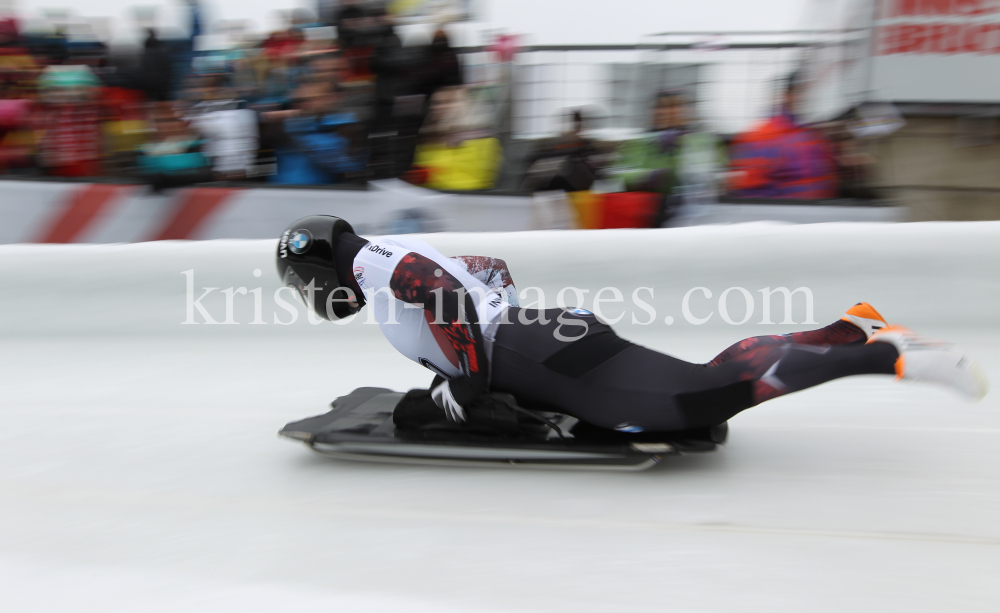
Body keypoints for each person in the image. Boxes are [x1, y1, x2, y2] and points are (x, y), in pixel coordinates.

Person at [275, 215, 989, 433]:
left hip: (528, 348)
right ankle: (849, 329)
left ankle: (882, 349)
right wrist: (487, 350)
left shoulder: (370, 263)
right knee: (697, 385)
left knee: (694, 402)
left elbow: (446, 296)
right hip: (536, 336)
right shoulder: (394, 247)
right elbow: (483, 269)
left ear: (316, 268)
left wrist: (470, 374)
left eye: (307, 285)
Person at [728, 71, 838, 200]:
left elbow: (828, 180)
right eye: (799, 92)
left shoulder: (814, 137)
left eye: (806, 91)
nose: (805, 97)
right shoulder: (758, 138)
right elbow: (751, 194)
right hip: (784, 216)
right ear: (787, 95)